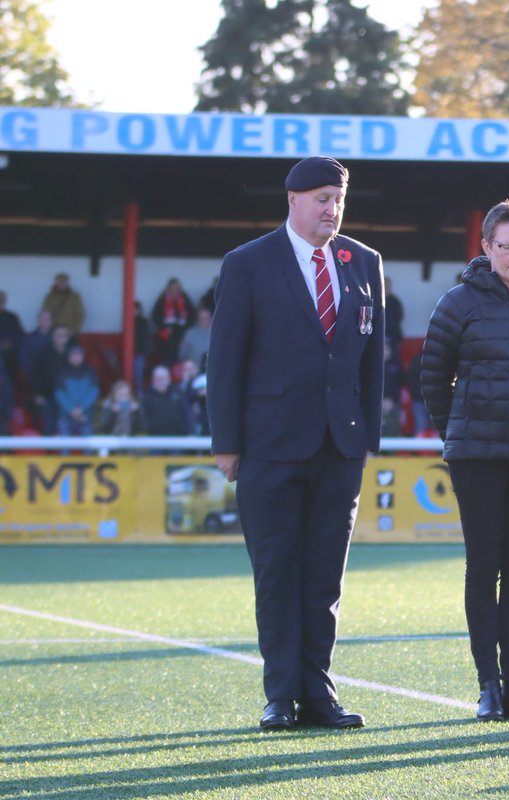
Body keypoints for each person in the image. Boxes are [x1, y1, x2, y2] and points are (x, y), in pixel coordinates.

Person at [207, 155, 385, 731]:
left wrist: (368, 436)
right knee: (277, 572)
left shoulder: (364, 262)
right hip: (269, 446)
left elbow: (372, 357)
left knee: (324, 577)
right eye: (320, 199)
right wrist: (227, 443)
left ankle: (319, 693)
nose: (331, 209)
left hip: (341, 446)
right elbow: (225, 359)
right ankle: (281, 695)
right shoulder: (248, 263)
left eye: (338, 199)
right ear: (293, 201)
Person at [420, 199, 509, 722]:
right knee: (483, 568)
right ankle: (487, 685)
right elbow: (434, 379)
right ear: (486, 247)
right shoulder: (456, 303)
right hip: (475, 455)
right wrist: (458, 431)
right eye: (506, 246)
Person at [31, 325, 72, 434]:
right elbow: (35, 375)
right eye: (58, 335)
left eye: (64, 335)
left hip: (68, 398)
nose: (61, 338)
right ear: (53, 337)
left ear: (67, 338)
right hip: (47, 397)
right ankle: (48, 451)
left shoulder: (72, 355)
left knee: (65, 428)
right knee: (48, 427)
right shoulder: (43, 353)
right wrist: (37, 394)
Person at [54, 343, 98, 436]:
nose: (76, 357)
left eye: (78, 355)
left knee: (87, 446)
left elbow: (94, 392)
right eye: (73, 355)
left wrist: (82, 408)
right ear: (68, 357)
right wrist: (71, 409)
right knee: (65, 445)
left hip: (85, 414)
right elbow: (59, 393)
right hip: (65, 415)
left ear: (83, 356)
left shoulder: (90, 371)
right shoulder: (62, 372)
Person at [151, 278, 196, 367]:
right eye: (173, 288)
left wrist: (186, 328)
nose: (175, 290)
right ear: (168, 288)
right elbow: (155, 315)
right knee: (168, 359)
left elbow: (192, 314)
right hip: (168, 336)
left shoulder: (184, 298)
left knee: (182, 357)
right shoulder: (163, 299)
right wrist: (164, 327)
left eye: (177, 288)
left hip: (182, 334)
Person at [142, 365, 191, 436]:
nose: (161, 381)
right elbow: (144, 418)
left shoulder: (178, 393)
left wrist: (188, 432)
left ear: (169, 378)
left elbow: (186, 413)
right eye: (158, 378)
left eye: (163, 378)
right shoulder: (147, 397)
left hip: (178, 438)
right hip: (154, 439)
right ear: (153, 379)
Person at [0, 290, 24, 383]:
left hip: (10, 356)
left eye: (2, 301)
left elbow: (20, 335)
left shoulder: (12, 317)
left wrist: (10, 343)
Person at [383, 276, 405, 347]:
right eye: (385, 286)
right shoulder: (375, 301)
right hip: (377, 337)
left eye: (388, 286)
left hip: (393, 338)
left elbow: (399, 318)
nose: (386, 288)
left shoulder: (395, 302)